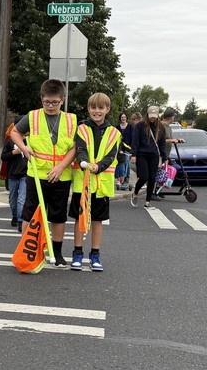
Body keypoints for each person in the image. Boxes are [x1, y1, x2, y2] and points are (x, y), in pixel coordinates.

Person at [9, 78, 78, 267]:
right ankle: (28, 250)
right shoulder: (32, 117)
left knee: (58, 215)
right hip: (36, 175)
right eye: (47, 101)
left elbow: (74, 147)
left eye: (55, 102)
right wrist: (24, 148)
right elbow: (15, 133)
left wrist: (61, 166)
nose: (50, 105)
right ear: (42, 99)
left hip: (61, 176)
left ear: (62, 100)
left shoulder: (71, 120)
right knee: (31, 214)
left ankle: (56, 252)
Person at [69, 93, 121, 272]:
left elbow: (111, 155)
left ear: (107, 110)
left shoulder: (115, 133)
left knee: (98, 221)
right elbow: (80, 149)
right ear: (88, 109)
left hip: (101, 184)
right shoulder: (81, 129)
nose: (96, 111)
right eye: (93, 107)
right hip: (82, 183)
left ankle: (95, 255)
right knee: (79, 219)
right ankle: (77, 254)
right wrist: (85, 163)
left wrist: (98, 166)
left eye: (100, 108)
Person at [130, 106, 163, 207]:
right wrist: (133, 154)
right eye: (151, 116)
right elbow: (135, 140)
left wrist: (164, 157)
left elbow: (162, 143)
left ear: (158, 116)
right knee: (144, 177)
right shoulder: (140, 125)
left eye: (154, 116)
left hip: (154, 155)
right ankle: (135, 192)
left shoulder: (160, 127)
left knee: (152, 178)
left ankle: (147, 201)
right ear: (147, 115)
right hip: (142, 154)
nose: (152, 118)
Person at [1, 119, 28, 230]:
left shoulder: (29, 141)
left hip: (25, 174)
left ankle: (21, 221)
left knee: (22, 199)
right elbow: (3, 157)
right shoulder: (10, 142)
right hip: (12, 174)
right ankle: (15, 216)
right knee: (13, 199)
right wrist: (13, 152)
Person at [153, 108, 184, 197]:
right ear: (170, 117)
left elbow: (169, 139)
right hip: (159, 153)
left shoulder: (169, 128)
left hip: (166, 153)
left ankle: (159, 189)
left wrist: (177, 140)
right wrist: (172, 140)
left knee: (165, 171)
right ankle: (153, 192)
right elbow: (159, 140)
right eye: (173, 116)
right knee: (157, 172)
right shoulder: (160, 126)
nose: (174, 118)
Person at [114, 112, 134, 190]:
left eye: (124, 117)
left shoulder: (130, 127)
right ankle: (119, 180)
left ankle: (126, 179)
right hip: (119, 148)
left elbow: (133, 137)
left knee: (126, 163)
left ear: (126, 118)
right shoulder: (117, 127)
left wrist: (132, 148)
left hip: (127, 148)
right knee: (119, 164)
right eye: (122, 117)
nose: (123, 118)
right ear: (120, 118)